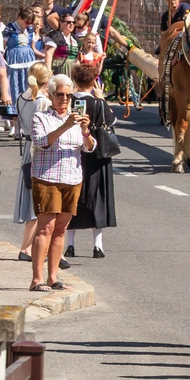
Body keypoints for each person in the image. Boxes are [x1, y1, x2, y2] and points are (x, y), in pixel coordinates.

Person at [30, 74, 96, 291]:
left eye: (68, 96)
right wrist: (66, 126)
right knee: (46, 228)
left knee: (60, 230)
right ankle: (37, 279)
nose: (65, 99)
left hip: (72, 178)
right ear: (50, 94)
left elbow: (89, 147)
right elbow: (41, 142)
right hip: (47, 177)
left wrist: (85, 131)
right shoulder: (41, 117)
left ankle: (53, 277)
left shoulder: (76, 119)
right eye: (60, 95)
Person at [63, 63, 117, 257]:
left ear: (75, 81)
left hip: (72, 153)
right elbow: (111, 121)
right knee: (98, 198)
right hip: (96, 156)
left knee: (72, 198)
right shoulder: (98, 103)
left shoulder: (68, 101)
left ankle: (70, 244)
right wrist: (101, 99)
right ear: (94, 82)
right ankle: (98, 245)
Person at [14, 63, 53, 261]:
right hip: (39, 150)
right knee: (39, 200)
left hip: (28, 148)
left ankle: (32, 247)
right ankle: (27, 248)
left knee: (32, 197)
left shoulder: (21, 98)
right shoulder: (43, 102)